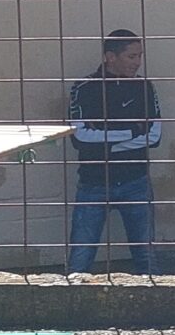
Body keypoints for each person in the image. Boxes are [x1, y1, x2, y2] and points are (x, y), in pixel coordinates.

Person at [66, 29, 164, 275]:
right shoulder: (84, 88)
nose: (137, 62)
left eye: (140, 56)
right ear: (110, 57)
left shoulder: (144, 87)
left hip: (136, 181)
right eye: (131, 56)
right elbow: (80, 138)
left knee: (147, 258)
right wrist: (133, 131)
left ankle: (154, 299)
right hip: (94, 183)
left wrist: (106, 140)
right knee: (80, 258)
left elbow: (154, 136)